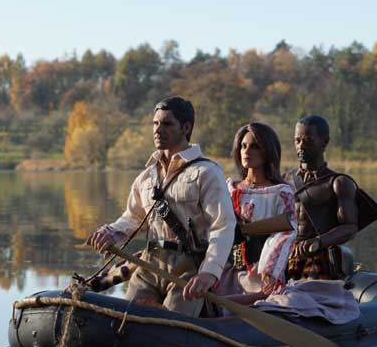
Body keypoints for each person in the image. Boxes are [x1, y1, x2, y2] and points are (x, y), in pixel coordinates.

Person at [86, 96, 235, 317]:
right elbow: (133, 217)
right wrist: (111, 232)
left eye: (167, 124)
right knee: (126, 322)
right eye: (155, 123)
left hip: (189, 269)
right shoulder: (147, 177)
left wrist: (209, 273)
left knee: (171, 328)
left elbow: (222, 226)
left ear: (186, 128)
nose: (157, 129)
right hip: (149, 264)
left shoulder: (207, 172)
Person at [217, 122, 296, 301]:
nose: (247, 151)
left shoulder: (280, 192)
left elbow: (284, 234)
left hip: (260, 274)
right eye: (243, 146)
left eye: (255, 146)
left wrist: (269, 270)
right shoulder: (229, 188)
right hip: (225, 269)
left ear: (267, 151)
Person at [283, 115, 360, 281]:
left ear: (324, 142)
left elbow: (350, 227)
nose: (301, 146)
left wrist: (320, 241)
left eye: (308, 141)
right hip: (284, 254)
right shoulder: (283, 180)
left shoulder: (338, 183)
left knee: (309, 292)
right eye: (297, 141)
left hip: (320, 257)